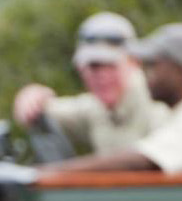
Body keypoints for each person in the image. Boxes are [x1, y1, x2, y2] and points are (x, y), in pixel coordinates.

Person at [41, 22, 182, 174]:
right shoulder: (179, 116)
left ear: (181, 72)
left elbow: (140, 162)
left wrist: (44, 175)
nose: (144, 72)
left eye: (153, 64)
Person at [12, 12, 168, 156]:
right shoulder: (95, 108)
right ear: (81, 69)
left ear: (134, 62)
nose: (102, 76)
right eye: (93, 66)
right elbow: (39, 109)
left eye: (110, 65)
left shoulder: (159, 105)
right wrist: (31, 95)